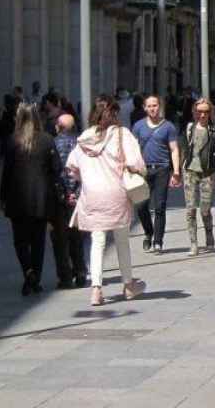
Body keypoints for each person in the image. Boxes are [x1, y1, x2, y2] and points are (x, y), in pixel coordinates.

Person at [65, 95, 147, 307]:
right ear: (115, 113)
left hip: (91, 195)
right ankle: (128, 285)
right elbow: (136, 163)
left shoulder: (84, 137)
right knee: (121, 239)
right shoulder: (121, 134)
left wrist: (87, 177)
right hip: (116, 192)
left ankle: (96, 290)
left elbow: (72, 166)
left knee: (97, 240)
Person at [1, 104, 63, 295]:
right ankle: (35, 277)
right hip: (41, 199)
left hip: (17, 199)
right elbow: (56, 169)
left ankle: (28, 272)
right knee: (38, 241)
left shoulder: (12, 141)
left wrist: (2, 198)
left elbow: (6, 173)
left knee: (20, 241)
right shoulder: (47, 139)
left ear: (18, 118)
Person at [132, 95, 181, 254]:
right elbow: (133, 148)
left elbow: (174, 149)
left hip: (162, 169)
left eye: (155, 105)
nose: (152, 108)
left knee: (160, 206)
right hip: (143, 170)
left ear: (159, 107)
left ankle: (158, 241)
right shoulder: (138, 126)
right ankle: (149, 232)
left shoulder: (168, 127)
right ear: (144, 108)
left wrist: (176, 171)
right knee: (141, 206)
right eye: (149, 106)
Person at [178, 98, 215, 256]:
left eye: (206, 112)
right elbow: (183, 147)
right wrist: (178, 169)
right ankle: (193, 243)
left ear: (210, 113)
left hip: (207, 173)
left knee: (205, 209)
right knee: (190, 210)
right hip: (190, 171)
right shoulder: (189, 128)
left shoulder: (214, 130)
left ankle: (209, 237)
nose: (202, 115)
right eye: (199, 111)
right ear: (195, 112)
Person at [52, 113, 87, 288]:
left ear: (58, 127)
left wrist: (65, 194)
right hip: (78, 197)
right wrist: (77, 193)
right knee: (77, 237)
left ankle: (65, 276)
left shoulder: (53, 144)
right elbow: (85, 172)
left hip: (60, 198)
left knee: (59, 238)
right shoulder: (81, 145)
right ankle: (80, 272)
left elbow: (54, 173)